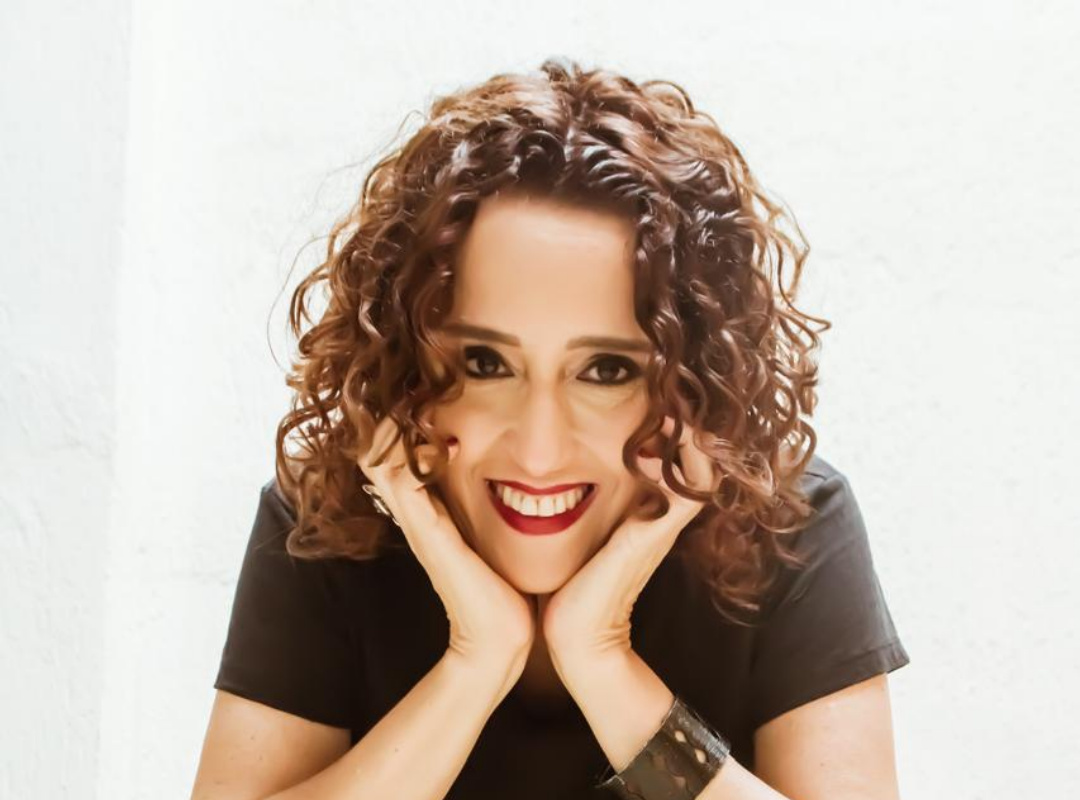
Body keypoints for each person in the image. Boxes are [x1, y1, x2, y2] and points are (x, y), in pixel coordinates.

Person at [191, 58, 910, 800]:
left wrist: (602, 660)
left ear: (692, 382)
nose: (538, 452)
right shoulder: (327, 519)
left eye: (606, 370)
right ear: (405, 365)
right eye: (484, 363)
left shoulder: (789, 525)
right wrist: (475, 663)